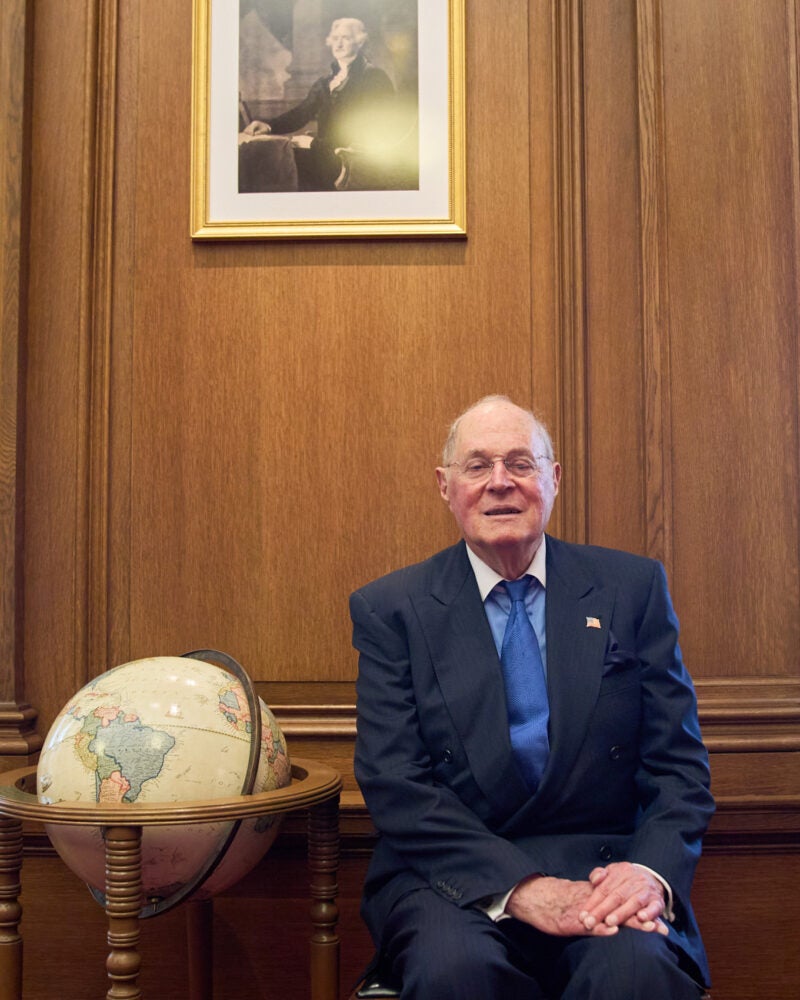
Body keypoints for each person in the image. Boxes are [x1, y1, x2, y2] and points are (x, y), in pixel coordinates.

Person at [350, 395, 714, 999]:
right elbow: (394, 784)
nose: (500, 483)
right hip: (451, 878)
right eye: (477, 466)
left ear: (553, 479)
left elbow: (679, 768)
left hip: (602, 868)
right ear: (445, 486)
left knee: (634, 974)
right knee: (455, 976)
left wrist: (647, 874)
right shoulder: (393, 609)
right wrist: (519, 888)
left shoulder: (631, 588)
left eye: (520, 463)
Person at [242, 18, 395, 190]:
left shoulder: (374, 77)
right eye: (335, 38)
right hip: (327, 155)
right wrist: (268, 126)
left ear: (360, 42)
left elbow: (371, 130)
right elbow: (301, 113)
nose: (339, 43)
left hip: (358, 161)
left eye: (345, 38)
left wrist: (314, 144)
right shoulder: (327, 81)